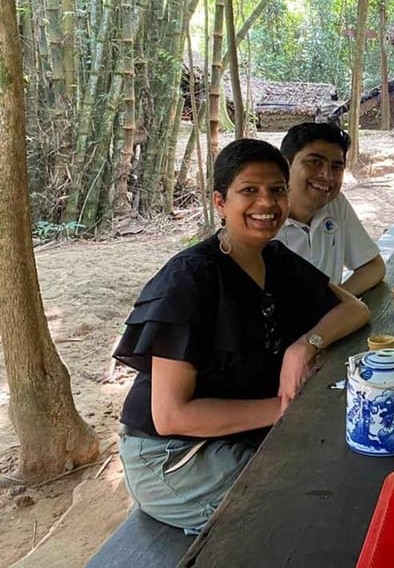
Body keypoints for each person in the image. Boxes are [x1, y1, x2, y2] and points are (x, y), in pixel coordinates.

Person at [114, 138, 371, 534]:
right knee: (312, 510)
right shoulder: (190, 278)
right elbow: (170, 416)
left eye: (276, 190)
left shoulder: (275, 258)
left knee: (349, 465)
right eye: (249, 191)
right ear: (220, 202)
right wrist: (285, 410)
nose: (266, 203)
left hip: (244, 431)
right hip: (174, 456)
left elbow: (355, 308)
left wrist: (305, 345)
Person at [275, 122, 385, 295]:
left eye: (336, 167)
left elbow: (374, 266)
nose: (327, 175)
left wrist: (333, 303)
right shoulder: (262, 218)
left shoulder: (335, 204)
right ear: (285, 165)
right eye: (314, 162)